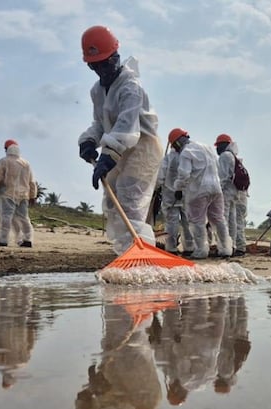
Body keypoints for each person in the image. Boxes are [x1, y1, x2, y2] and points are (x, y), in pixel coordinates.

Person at [78, 25, 163, 255]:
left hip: (142, 147)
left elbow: (128, 126)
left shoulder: (130, 87)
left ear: (116, 56)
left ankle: (142, 256)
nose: (102, 69)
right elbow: (100, 123)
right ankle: (127, 254)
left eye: (106, 62)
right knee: (112, 203)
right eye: (96, 65)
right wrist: (88, 141)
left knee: (129, 200)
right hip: (118, 148)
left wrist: (108, 155)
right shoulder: (97, 91)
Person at [168, 128, 232, 259]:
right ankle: (225, 249)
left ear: (178, 143)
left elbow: (184, 174)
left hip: (199, 191)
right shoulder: (206, 147)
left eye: (174, 146)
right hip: (216, 189)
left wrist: (178, 189)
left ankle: (201, 251)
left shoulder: (186, 152)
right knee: (219, 219)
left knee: (197, 221)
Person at [0, 139, 36, 247]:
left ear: (6, 149)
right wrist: (33, 195)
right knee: (24, 218)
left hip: (7, 193)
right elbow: (32, 181)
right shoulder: (26, 163)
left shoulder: (4, 161)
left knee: (5, 217)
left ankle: (2, 240)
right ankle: (28, 240)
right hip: (23, 195)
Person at [155, 148, 195, 255]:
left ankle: (171, 248)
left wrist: (156, 187)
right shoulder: (187, 158)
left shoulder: (168, 158)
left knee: (172, 223)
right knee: (187, 222)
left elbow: (160, 177)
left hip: (170, 196)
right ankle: (189, 247)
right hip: (186, 195)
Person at [215, 134, 248, 256]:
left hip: (227, 192)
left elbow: (223, 177)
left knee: (223, 219)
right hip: (235, 193)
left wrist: (218, 191)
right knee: (233, 220)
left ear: (222, 145)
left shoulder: (224, 156)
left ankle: (225, 248)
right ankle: (233, 246)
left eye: (218, 146)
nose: (217, 149)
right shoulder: (234, 156)